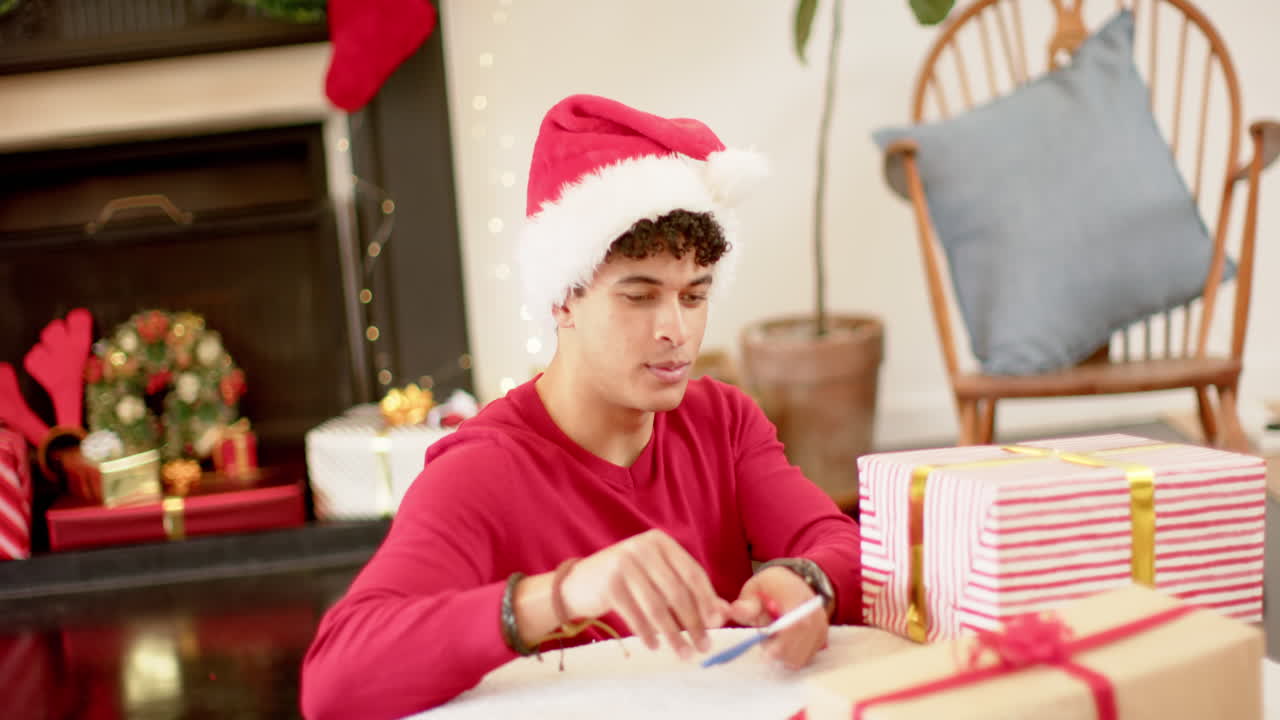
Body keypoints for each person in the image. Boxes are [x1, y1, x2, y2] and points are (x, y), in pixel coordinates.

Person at [300, 94, 863, 720]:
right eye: (640, 296)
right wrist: (560, 595)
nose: (676, 329)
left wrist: (808, 584)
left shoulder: (723, 423)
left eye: (695, 296)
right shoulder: (480, 468)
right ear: (562, 298)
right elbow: (334, 679)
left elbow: (838, 542)